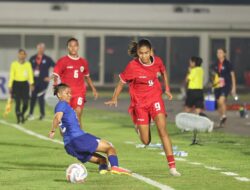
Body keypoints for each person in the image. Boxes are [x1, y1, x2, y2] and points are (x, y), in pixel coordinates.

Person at [105, 39, 181, 176]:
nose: (144, 56)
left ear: (151, 51)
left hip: (155, 99)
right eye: (141, 53)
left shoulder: (157, 61)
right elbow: (121, 83)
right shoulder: (132, 66)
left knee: (162, 130)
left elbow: (163, 72)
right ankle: (138, 127)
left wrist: (167, 89)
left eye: (146, 53)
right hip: (140, 104)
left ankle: (172, 167)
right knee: (146, 141)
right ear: (138, 53)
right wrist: (114, 97)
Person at [49, 83, 130, 175]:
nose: (70, 95)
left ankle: (103, 170)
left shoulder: (65, 107)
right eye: (67, 93)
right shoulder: (62, 104)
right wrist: (52, 130)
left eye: (70, 93)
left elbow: (62, 130)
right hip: (78, 139)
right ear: (59, 95)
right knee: (109, 147)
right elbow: (57, 118)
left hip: (69, 145)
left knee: (102, 160)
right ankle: (115, 167)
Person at [53, 37, 98, 129]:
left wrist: (93, 89)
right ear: (68, 48)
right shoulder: (62, 61)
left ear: (78, 47)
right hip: (66, 94)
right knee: (66, 118)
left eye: (75, 46)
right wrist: (56, 87)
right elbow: (56, 75)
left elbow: (87, 76)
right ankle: (67, 133)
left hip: (79, 92)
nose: (73, 48)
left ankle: (79, 136)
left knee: (78, 113)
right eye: (71, 46)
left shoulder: (83, 62)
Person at [27, 43, 55, 120]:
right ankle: (30, 114)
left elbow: (57, 68)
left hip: (43, 82)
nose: (41, 49)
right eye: (39, 48)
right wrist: (30, 83)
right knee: (33, 97)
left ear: (44, 49)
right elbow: (28, 70)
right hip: (34, 81)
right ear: (37, 48)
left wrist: (50, 77)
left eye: (42, 48)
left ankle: (42, 115)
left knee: (41, 97)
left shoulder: (48, 59)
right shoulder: (32, 58)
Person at [211, 48, 237, 127]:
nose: (219, 54)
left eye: (220, 52)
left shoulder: (228, 64)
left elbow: (232, 76)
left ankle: (224, 116)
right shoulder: (215, 64)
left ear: (224, 54)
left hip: (226, 85)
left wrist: (233, 88)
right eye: (217, 52)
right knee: (218, 103)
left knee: (221, 100)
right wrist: (213, 84)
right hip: (217, 86)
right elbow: (213, 76)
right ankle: (222, 118)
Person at [8, 49, 34, 124]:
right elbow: (11, 75)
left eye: (23, 54)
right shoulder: (14, 64)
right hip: (16, 84)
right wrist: (10, 86)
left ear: (25, 55)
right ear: (18, 55)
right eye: (20, 54)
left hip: (25, 85)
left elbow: (30, 75)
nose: (22, 55)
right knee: (18, 103)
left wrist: (31, 84)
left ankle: (22, 114)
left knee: (26, 103)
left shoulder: (28, 64)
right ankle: (18, 119)